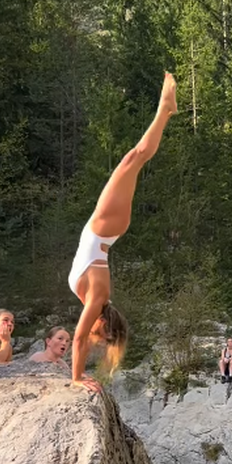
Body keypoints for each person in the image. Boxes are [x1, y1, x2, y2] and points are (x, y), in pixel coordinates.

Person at [69, 72, 177, 393]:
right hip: (105, 227)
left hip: (105, 228)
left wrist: (80, 374)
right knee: (134, 158)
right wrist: (76, 378)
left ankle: (165, 110)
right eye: (100, 334)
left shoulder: (97, 300)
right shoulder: (98, 300)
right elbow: (78, 339)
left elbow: (82, 339)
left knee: (134, 160)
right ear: (103, 323)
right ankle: (164, 110)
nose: (94, 335)